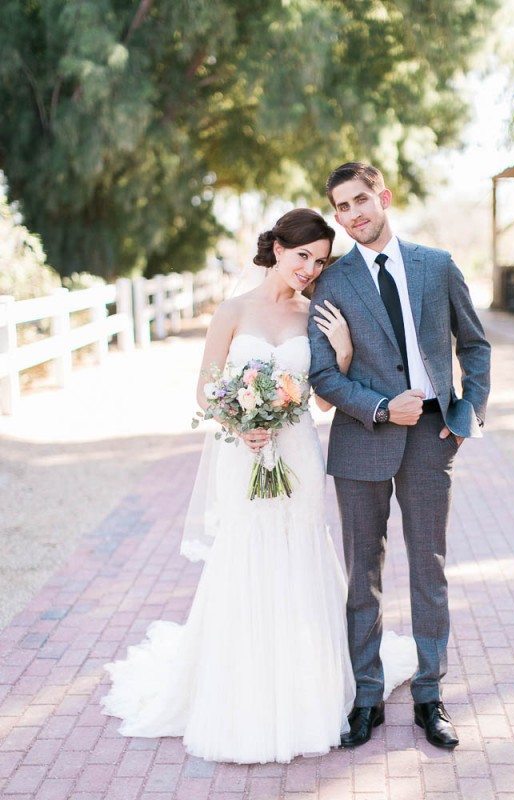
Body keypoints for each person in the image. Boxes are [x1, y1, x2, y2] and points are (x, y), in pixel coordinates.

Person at [101, 208, 416, 764]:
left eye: (319, 260)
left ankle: (306, 690)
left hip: (295, 451)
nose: (309, 268)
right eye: (303, 256)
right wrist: (237, 421)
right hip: (242, 454)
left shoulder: (316, 313)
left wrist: (341, 352)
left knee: (298, 554)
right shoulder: (232, 310)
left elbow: (322, 399)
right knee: (246, 555)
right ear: (277, 249)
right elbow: (204, 386)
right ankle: (242, 692)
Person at [308, 162, 491, 750]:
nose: (354, 214)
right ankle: (367, 697)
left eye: (361, 200)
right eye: (342, 207)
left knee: (428, 570)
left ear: (383, 198)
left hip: (433, 440)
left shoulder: (435, 266)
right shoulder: (331, 281)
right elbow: (320, 375)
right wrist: (384, 407)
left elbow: (475, 345)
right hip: (362, 437)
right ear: (336, 216)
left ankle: (430, 696)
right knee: (363, 576)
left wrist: (465, 418)